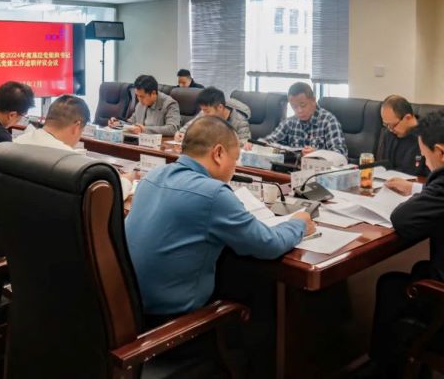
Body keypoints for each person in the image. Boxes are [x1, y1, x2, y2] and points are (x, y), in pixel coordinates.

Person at [126, 116, 315, 317]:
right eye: (235, 159)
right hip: (172, 317)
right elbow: (268, 244)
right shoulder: (213, 193)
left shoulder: (153, 175)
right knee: (255, 291)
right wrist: (298, 223)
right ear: (218, 153)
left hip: (131, 304)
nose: (235, 168)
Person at [366, 110, 444, 377]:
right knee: (419, 270)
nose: (425, 163)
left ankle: (388, 370)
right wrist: (423, 191)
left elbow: (403, 219)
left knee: (391, 286)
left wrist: (424, 194)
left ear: (442, 153)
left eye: (425, 157)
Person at [15, 94, 132, 199]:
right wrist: (127, 180)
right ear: (77, 127)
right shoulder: (71, 162)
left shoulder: (17, 142)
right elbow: (107, 196)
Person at [262, 82, 347, 157]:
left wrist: (318, 153)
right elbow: (267, 141)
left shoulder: (328, 121)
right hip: (293, 168)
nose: (299, 111)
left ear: (313, 101)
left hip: (318, 169)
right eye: (294, 107)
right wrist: (259, 144)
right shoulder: (290, 122)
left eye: (303, 105)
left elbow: (341, 154)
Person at [377, 95, 429, 195]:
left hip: (415, 193)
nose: (390, 129)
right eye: (386, 125)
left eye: (393, 125)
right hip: (388, 189)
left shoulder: (426, 136)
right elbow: (384, 166)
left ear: (408, 118)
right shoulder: (389, 134)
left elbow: (432, 179)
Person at [173, 86, 251, 145]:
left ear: (220, 107)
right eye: (203, 110)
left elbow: (245, 143)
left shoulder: (239, 121)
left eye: (207, 111)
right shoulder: (204, 113)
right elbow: (188, 127)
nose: (204, 114)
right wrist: (181, 134)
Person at [108, 75, 180, 136]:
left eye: (142, 96)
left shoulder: (170, 104)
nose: (139, 100)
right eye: (137, 96)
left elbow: (173, 129)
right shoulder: (140, 104)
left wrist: (144, 130)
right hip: (140, 143)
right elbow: (131, 122)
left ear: (153, 93)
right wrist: (119, 124)